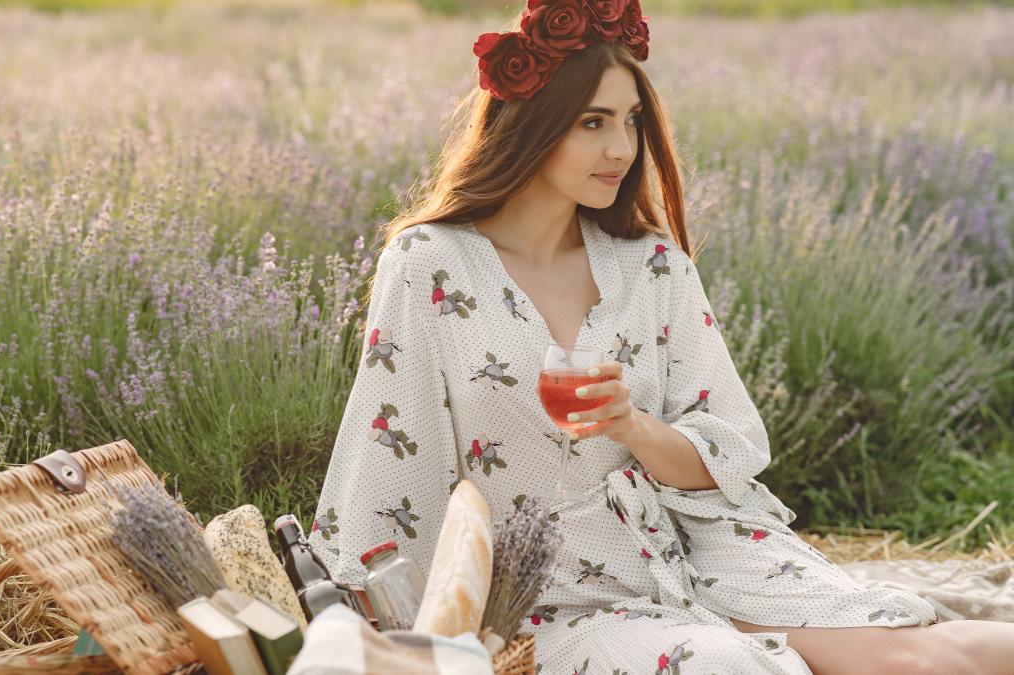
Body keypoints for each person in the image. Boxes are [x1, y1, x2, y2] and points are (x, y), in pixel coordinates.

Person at [308, 1, 1013, 672]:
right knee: (735, 668)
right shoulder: (429, 265)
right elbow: (386, 478)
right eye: (592, 122)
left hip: (702, 546)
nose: (621, 148)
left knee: (927, 654)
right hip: (555, 597)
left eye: (631, 121)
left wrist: (634, 426)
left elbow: (727, 450)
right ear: (532, 122)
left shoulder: (652, 266)